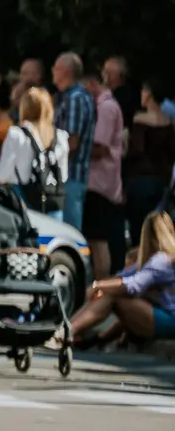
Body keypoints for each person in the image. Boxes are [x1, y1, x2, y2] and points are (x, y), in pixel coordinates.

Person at [67, 211, 175, 350]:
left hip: (170, 320)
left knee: (115, 297)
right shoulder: (162, 259)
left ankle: (67, 331)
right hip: (165, 317)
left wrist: (98, 285)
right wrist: (101, 286)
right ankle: (92, 338)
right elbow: (122, 277)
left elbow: (133, 285)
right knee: (116, 295)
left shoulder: (162, 260)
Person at [82, 69, 128, 277]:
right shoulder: (104, 106)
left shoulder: (106, 108)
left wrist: (73, 150)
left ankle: (100, 288)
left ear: (92, 83)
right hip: (99, 183)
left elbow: (99, 146)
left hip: (100, 184)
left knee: (98, 241)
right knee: (95, 239)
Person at [0, 87, 68, 214]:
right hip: (52, 200)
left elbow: (3, 173)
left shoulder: (17, 134)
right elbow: (63, 175)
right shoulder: (61, 137)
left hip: (22, 199)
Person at [54, 52, 96, 252]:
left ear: (66, 72)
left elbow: (72, 141)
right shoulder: (70, 97)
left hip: (70, 176)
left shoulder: (76, 99)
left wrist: (53, 165)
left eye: (56, 68)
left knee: (68, 236)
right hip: (70, 177)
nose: (52, 72)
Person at [126, 81, 173, 250]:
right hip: (161, 181)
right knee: (157, 227)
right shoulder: (168, 121)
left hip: (140, 180)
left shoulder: (140, 119)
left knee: (138, 229)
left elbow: (136, 150)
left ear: (149, 94)